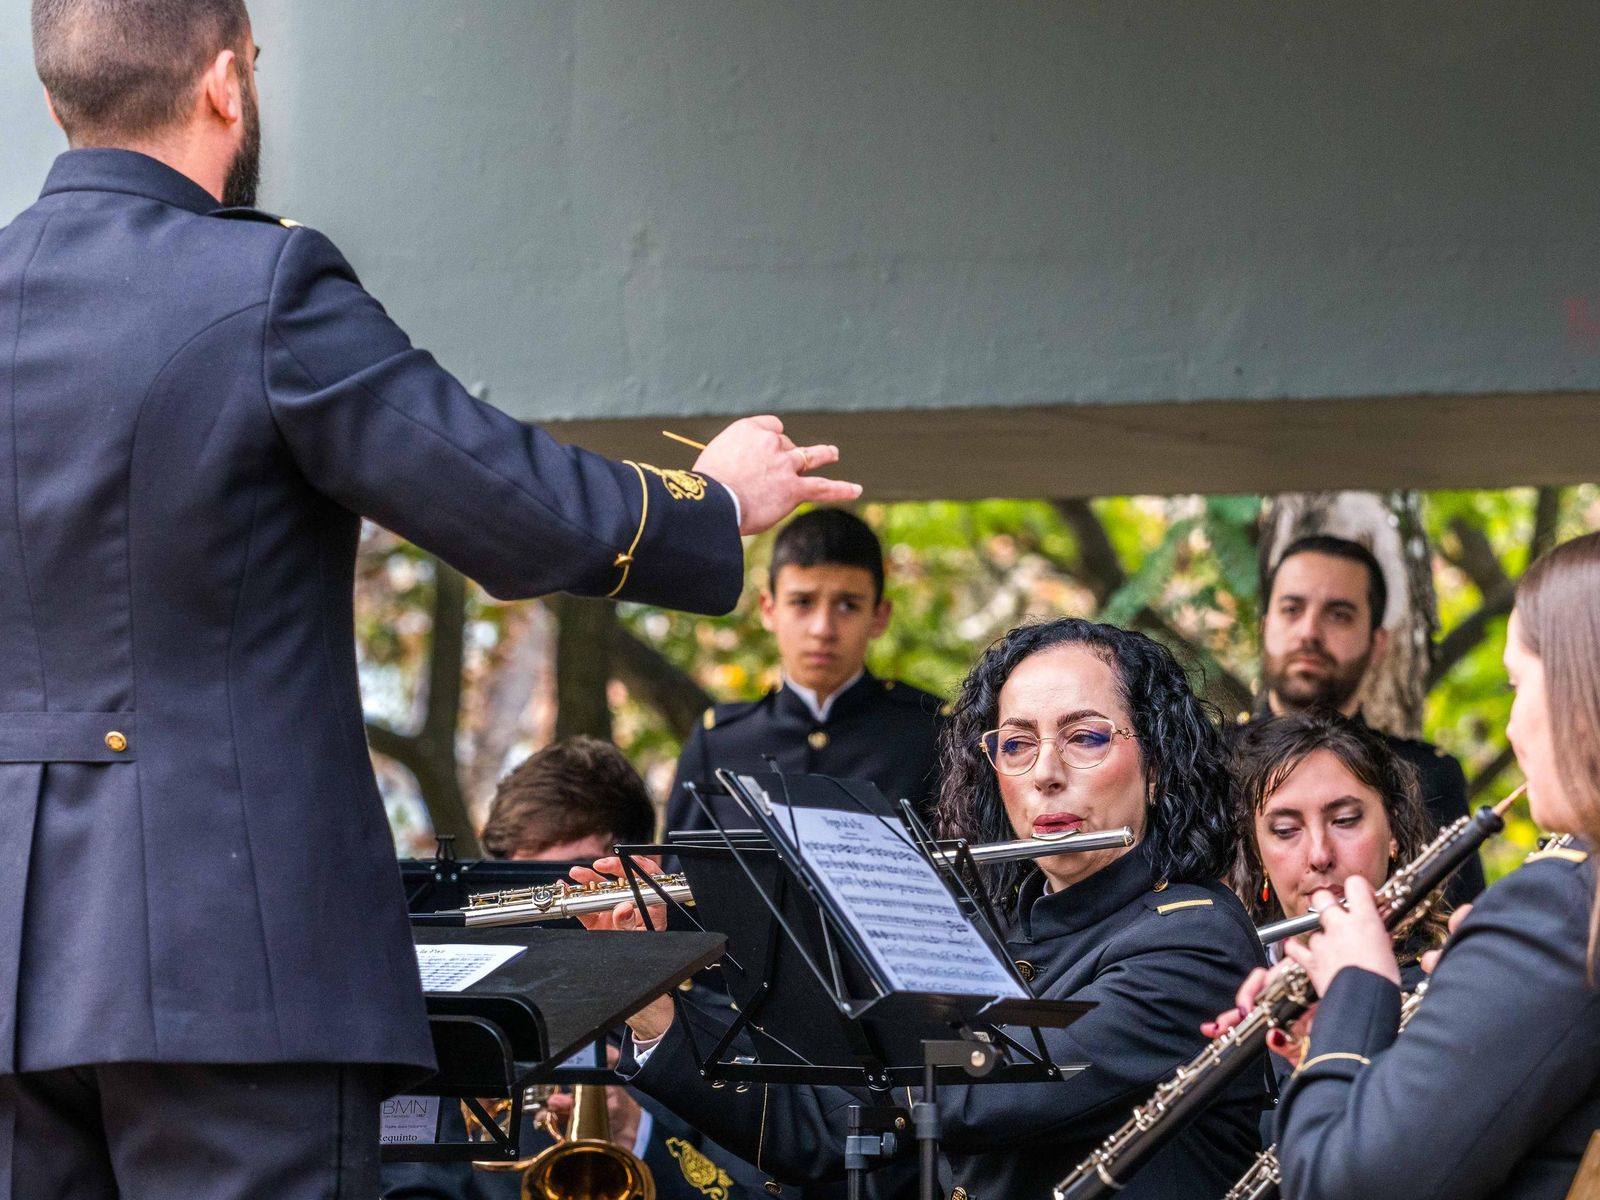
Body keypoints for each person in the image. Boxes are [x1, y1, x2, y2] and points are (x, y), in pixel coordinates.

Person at [0, 2, 859, 1195]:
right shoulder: (260, 284)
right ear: (226, 82)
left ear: (56, 101)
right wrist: (705, 502)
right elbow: (506, 501)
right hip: (235, 961)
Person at [588, 618, 1268, 1199]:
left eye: (1085, 737)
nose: (1045, 773)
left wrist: (850, 907)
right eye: (1017, 743)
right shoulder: (998, 928)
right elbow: (829, 1131)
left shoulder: (1195, 939)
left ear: (1157, 764)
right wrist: (652, 1005)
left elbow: (979, 1097)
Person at [1216, 531, 1600, 1200]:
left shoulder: (1560, 903)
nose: (1512, 727)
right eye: (1283, 828)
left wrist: (1359, 990)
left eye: (1517, 685)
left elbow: (1346, 1182)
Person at [382, 738, 767, 1200]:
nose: (552, 914)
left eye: (575, 884)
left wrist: (637, 1134)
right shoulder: (463, 1025)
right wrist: (459, 1122)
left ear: (648, 870)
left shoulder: (725, 1036)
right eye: (528, 889)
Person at [1234, 533, 1483, 904]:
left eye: (1339, 615)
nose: (1309, 632)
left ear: (1377, 643)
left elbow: (1456, 921)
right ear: (1265, 626)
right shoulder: (1206, 763)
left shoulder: (1428, 774)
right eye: (1292, 609)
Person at [664, 508, 945, 834]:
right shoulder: (718, 742)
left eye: (848, 605)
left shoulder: (932, 735)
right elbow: (677, 865)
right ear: (769, 609)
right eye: (802, 602)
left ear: (879, 616)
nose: (822, 629)